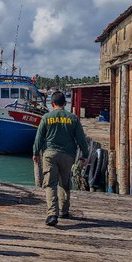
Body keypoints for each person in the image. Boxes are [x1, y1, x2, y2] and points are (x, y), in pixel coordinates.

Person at [33, 91, 89, 226]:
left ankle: (52, 214)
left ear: (52, 104)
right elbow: (81, 139)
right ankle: (64, 211)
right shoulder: (73, 118)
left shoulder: (46, 117)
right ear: (64, 104)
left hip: (50, 155)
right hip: (68, 155)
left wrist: (35, 153)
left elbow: (39, 138)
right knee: (64, 183)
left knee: (50, 183)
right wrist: (85, 155)